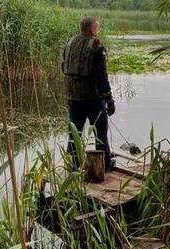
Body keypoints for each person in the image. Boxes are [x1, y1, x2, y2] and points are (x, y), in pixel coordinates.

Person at [63, 16, 116, 170]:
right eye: (97, 27)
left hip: (73, 97)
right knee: (100, 132)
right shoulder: (97, 47)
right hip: (93, 98)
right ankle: (105, 163)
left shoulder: (70, 43)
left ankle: (74, 164)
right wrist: (110, 100)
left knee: (75, 132)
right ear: (92, 29)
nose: (97, 30)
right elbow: (102, 77)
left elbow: (63, 67)